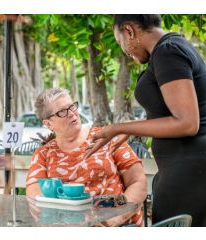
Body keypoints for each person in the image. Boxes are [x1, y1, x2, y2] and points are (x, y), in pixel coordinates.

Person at [85, 14, 206, 226]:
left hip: (191, 173)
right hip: (184, 170)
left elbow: (187, 123)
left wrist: (117, 127)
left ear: (129, 31)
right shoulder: (169, 50)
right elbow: (168, 115)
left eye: (120, 41)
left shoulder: (168, 52)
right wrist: (129, 131)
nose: (125, 51)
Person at [26, 88, 147, 227]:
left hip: (118, 224)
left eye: (71, 107)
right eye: (62, 112)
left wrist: (116, 218)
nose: (72, 114)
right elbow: (35, 201)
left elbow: (138, 182)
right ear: (48, 124)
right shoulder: (43, 154)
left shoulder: (105, 138)